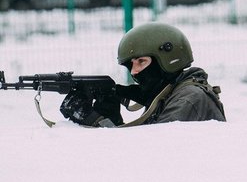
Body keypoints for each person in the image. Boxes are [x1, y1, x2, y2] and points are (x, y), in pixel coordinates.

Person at [60, 22, 226, 127]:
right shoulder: (168, 93)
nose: (134, 71)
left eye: (141, 61)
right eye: (131, 65)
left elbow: (151, 152)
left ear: (167, 59)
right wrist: (112, 118)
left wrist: (94, 121)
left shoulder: (188, 99)